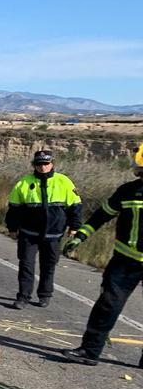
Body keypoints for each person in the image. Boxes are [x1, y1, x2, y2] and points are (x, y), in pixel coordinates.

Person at [61, 141, 143, 367]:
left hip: (127, 261)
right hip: (125, 261)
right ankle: (89, 350)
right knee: (107, 305)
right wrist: (80, 237)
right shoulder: (127, 191)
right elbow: (101, 216)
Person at [5, 150, 82, 309]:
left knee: (48, 265)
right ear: (34, 165)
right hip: (29, 233)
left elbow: (75, 206)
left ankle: (45, 295)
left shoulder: (64, 182)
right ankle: (23, 297)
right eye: (39, 164)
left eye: (46, 163)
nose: (43, 167)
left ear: (52, 164)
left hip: (54, 234)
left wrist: (74, 226)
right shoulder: (24, 182)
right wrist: (12, 228)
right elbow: (14, 209)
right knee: (26, 265)